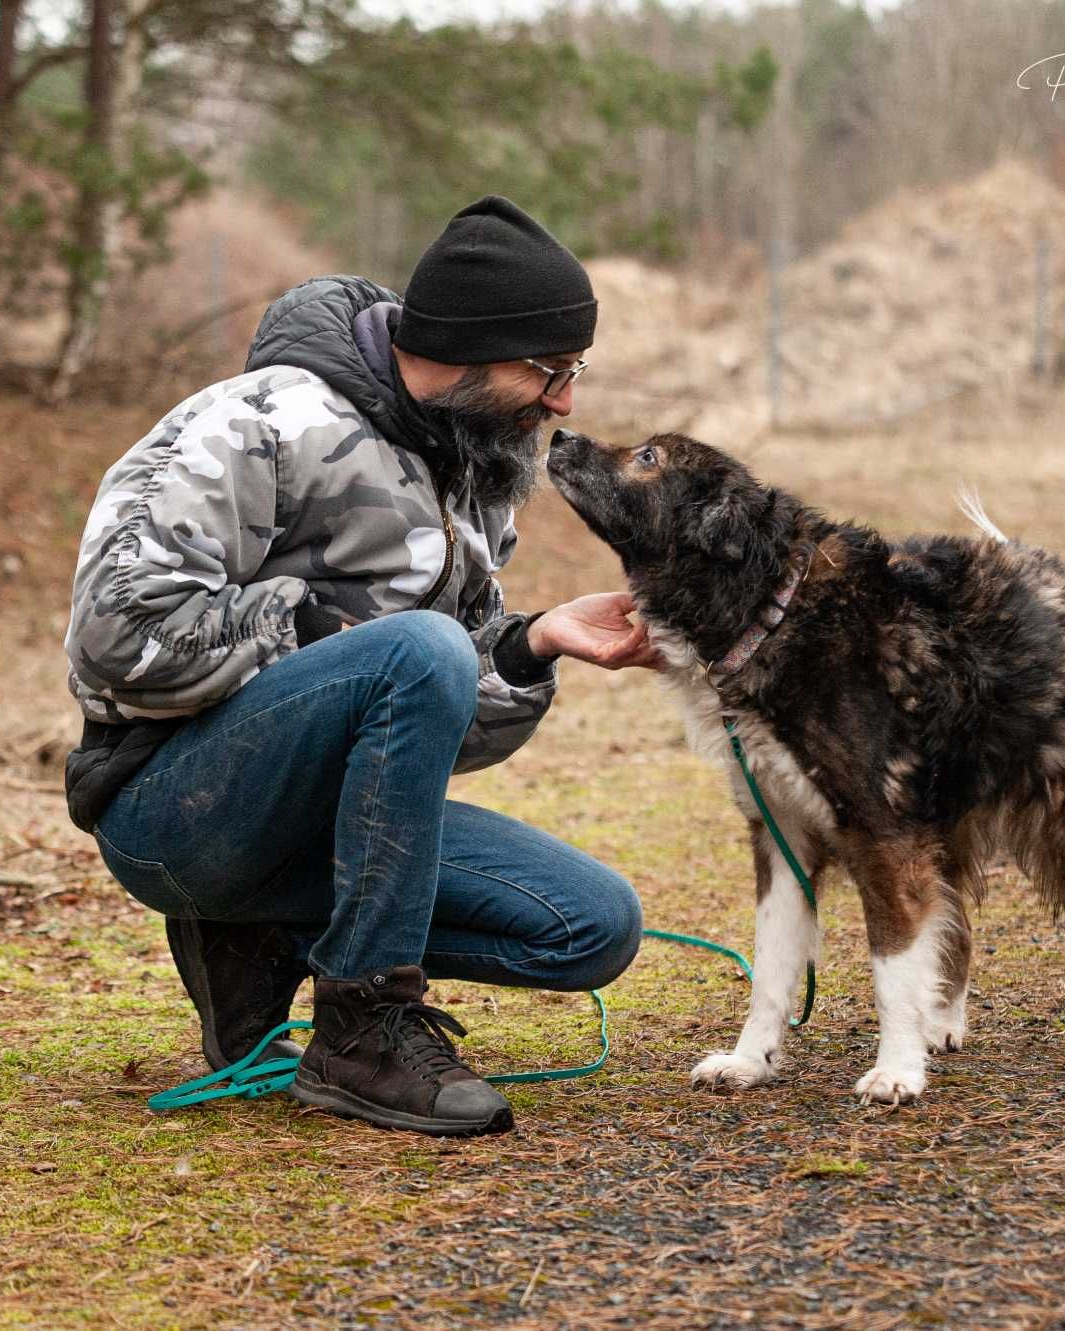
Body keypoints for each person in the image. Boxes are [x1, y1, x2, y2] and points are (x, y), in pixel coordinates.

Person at [62, 196, 657, 1138]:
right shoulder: (254, 425)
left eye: (575, 371)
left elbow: (431, 726)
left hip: (326, 827)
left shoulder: (467, 460)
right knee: (413, 648)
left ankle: (265, 937)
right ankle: (364, 1026)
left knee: (592, 924)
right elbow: (113, 639)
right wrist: (327, 634)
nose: (565, 403)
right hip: (169, 809)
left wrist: (529, 644)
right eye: (548, 371)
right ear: (468, 347)